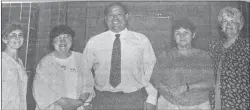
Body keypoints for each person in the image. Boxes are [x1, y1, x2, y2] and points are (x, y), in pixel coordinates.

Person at [82, 2, 157, 110]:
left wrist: (152, 99)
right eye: (111, 15)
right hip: (103, 99)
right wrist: (87, 100)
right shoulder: (94, 42)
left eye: (119, 15)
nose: (115, 19)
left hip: (133, 99)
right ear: (105, 19)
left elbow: (151, 70)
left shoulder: (141, 40)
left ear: (126, 17)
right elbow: (85, 71)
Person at [150, 18, 215, 110]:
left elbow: (210, 82)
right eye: (177, 33)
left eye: (186, 33)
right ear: (173, 36)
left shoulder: (203, 56)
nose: (182, 36)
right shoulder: (165, 55)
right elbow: (155, 79)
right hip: (168, 104)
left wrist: (186, 87)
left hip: (198, 105)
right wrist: (169, 92)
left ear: (193, 35)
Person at [33, 25, 94, 110]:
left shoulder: (80, 58)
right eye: (58, 37)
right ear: (52, 41)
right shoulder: (46, 62)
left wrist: (79, 102)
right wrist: (65, 104)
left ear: (72, 40)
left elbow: (88, 84)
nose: (62, 41)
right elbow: (41, 89)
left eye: (66, 36)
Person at [208, 7, 250, 110]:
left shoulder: (247, 46)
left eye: (233, 22)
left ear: (240, 26)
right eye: (225, 21)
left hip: (240, 102)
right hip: (216, 99)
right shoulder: (214, 46)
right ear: (221, 26)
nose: (228, 25)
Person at [1, 21, 28, 109]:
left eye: (20, 35)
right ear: (5, 39)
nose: (17, 38)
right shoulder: (2, 60)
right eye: (13, 35)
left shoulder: (20, 62)